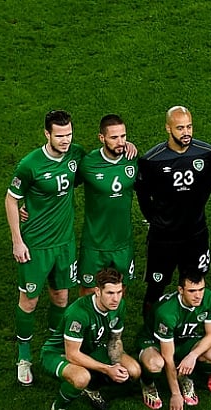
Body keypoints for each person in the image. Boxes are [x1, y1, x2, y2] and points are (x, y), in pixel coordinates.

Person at [5, 110, 84, 386]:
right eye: (60, 135)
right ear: (47, 134)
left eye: (69, 134)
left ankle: (53, 348)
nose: (65, 140)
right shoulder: (30, 164)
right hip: (36, 245)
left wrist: (127, 147)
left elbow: (99, 166)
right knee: (29, 300)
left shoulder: (76, 155)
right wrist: (18, 240)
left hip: (64, 244)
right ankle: (23, 357)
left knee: (61, 297)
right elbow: (11, 199)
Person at [135, 106, 211, 317]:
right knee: (156, 287)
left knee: (195, 285)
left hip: (196, 235)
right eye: (180, 128)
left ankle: (193, 328)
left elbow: (208, 185)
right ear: (168, 128)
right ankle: (150, 332)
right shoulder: (152, 160)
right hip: (164, 239)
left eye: (189, 126)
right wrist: (156, 220)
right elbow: (143, 196)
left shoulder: (206, 153)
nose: (186, 132)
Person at [40, 267, 141, 410]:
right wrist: (108, 369)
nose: (115, 298)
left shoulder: (119, 306)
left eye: (119, 292)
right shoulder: (79, 313)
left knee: (133, 370)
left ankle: (92, 388)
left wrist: (116, 364)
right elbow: (72, 354)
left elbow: (115, 340)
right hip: (58, 353)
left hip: (89, 349)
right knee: (81, 377)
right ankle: (58, 408)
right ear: (97, 291)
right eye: (110, 293)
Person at [135, 270, 211, 410]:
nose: (198, 295)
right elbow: (167, 357)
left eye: (201, 289)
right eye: (192, 291)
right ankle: (147, 382)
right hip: (154, 342)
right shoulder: (167, 313)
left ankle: (184, 375)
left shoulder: (208, 297)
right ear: (180, 290)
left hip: (183, 339)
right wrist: (175, 394)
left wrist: (192, 356)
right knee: (156, 364)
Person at [75, 114, 138, 296]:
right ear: (101, 138)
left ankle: (113, 324)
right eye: (114, 137)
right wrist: (28, 204)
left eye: (123, 136)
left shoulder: (132, 158)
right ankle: (89, 323)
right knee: (88, 291)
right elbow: (62, 186)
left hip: (122, 242)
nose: (120, 142)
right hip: (94, 243)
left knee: (119, 290)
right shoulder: (88, 163)